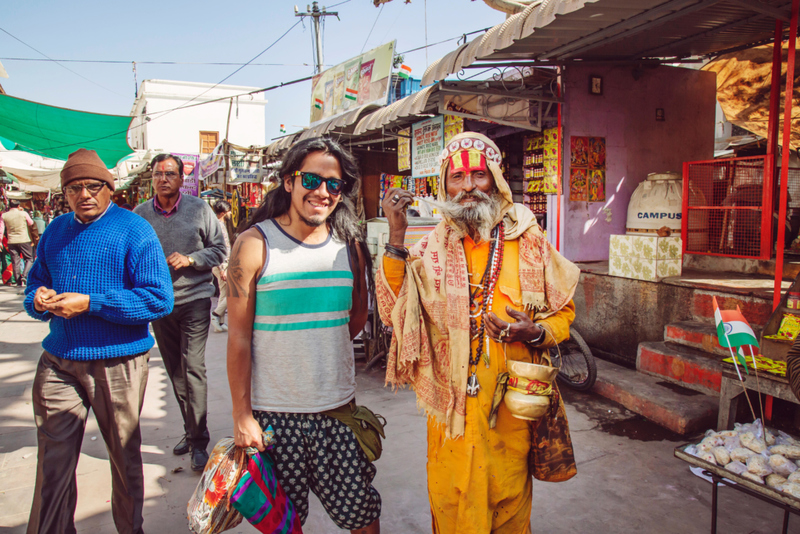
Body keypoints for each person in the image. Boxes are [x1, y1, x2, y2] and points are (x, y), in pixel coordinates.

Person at [377, 132, 580, 534]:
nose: (468, 186)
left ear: (496, 180)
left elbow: (564, 315)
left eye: (478, 175)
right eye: (458, 177)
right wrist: (396, 237)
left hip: (512, 411)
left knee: (509, 509)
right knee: (451, 507)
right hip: (450, 413)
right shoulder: (430, 248)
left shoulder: (529, 239)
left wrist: (535, 332)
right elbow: (395, 313)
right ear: (444, 185)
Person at [226, 138, 381, 533]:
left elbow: (356, 319)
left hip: (338, 411)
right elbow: (239, 339)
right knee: (283, 526)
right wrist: (242, 416)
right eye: (312, 179)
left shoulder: (349, 246)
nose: (323, 192)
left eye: (335, 184)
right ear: (288, 182)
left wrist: (319, 347)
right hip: (274, 418)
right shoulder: (253, 245)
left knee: (363, 517)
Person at [23, 148, 173, 533]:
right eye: (74, 188)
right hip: (59, 360)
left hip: (118, 363)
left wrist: (91, 303)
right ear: (65, 193)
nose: (84, 194)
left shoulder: (133, 229)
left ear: (109, 189)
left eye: (93, 186)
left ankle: (130, 529)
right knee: (53, 462)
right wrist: (38, 298)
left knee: (123, 458)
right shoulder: (55, 231)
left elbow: (159, 299)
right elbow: (36, 279)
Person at [134, 154, 226, 471]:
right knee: (175, 370)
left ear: (180, 177)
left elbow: (219, 249)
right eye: (158, 173)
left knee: (193, 367)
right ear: (152, 178)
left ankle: (199, 443)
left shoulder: (199, 209)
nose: (163, 179)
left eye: (170, 173)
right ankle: (191, 430)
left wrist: (190, 260)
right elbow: (131, 256)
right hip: (160, 303)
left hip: (195, 298)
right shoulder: (140, 215)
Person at [0, 199, 35, 287]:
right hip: (24, 239)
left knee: (15, 261)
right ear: (19, 206)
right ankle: (24, 275)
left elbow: (1, 230)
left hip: (11, 241)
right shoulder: (23, 213)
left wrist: (0, 241)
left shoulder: (4, 215)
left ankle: (18, 280)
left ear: (9, 206)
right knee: (29, 259)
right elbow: (31, 223)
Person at [211, 200, 231, 332]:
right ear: (223, 213)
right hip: (222, 264)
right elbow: (218, 248)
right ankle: (216, 315)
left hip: (222, 263)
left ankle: (221, 321)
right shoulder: (218, 226)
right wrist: (222, 267)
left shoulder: (218, 224)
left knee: (224, 292)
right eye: (229, 211)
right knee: (230, 293)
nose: (230, 214)